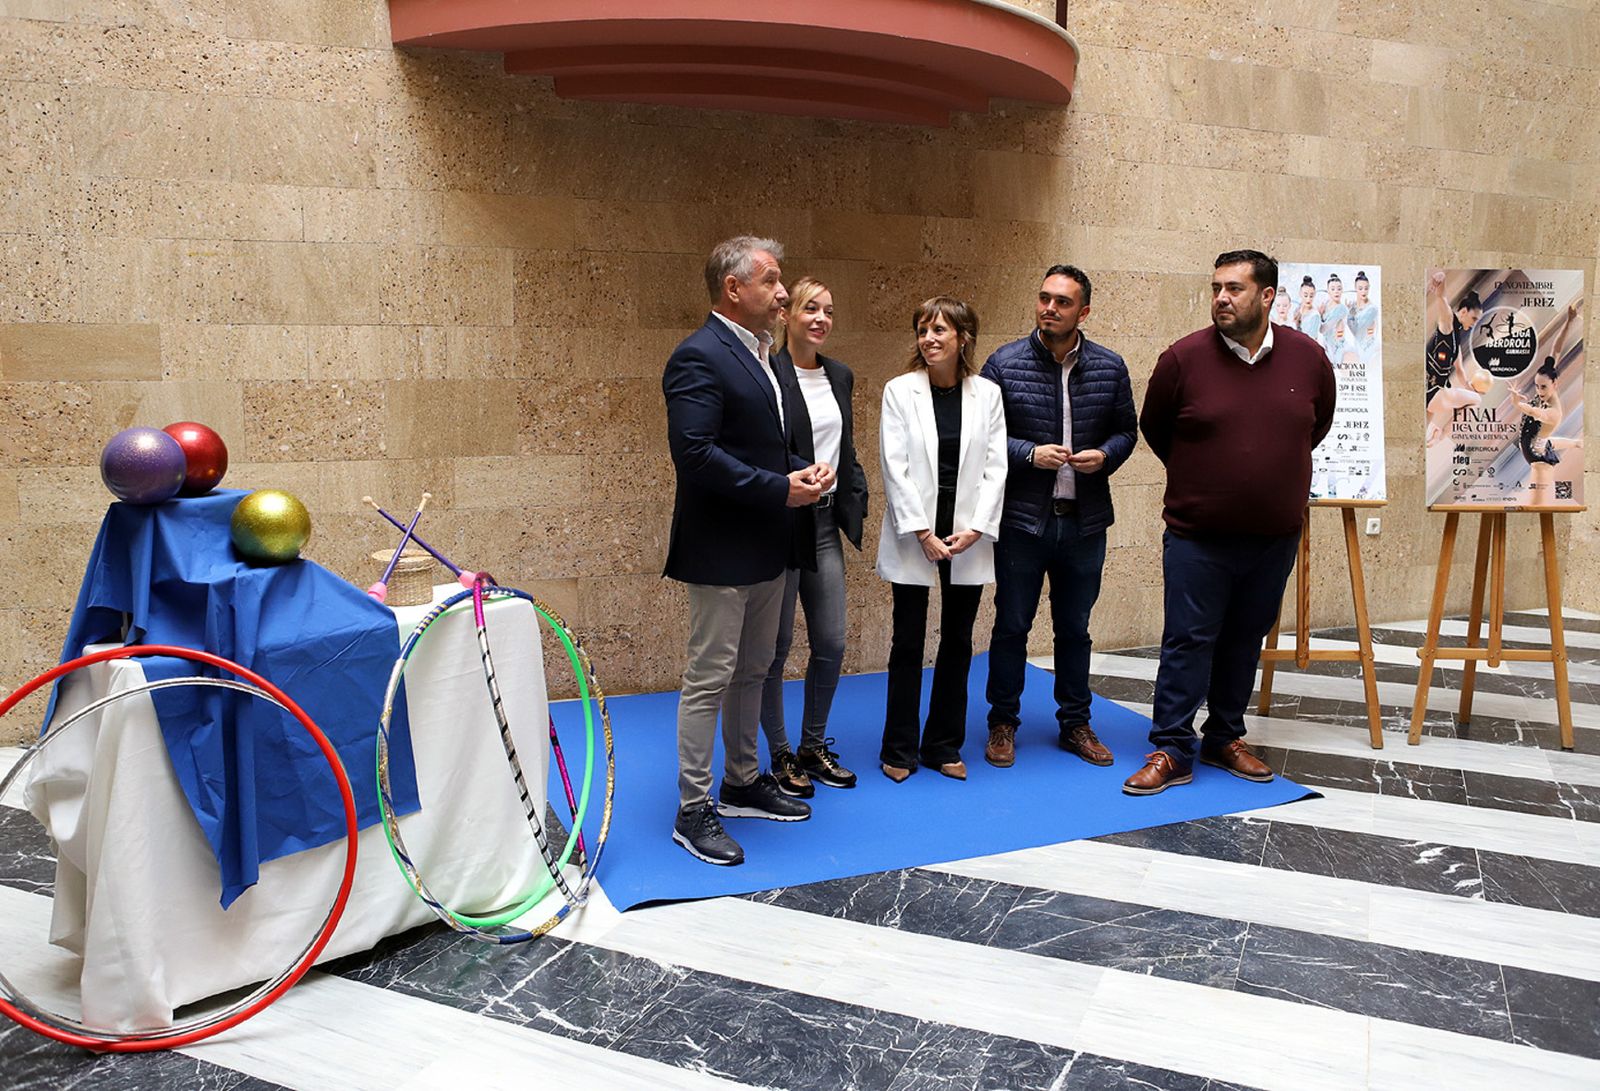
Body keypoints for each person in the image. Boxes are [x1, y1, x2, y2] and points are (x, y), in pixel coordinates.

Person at [1129, 250, 1336, 796]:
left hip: (1274, 534)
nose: (1221, 297)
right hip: (1198, 536)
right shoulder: (1182, 359)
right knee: (1187, 640)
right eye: (1217, 287)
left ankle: (1224, 736)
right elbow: (1156, 429)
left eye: (1234, 288)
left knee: (1244, 640)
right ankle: (1172, 747)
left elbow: (1315, 425)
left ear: (1267, 296)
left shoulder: (1309, 358)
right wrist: (1212, 478)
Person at [662, 235, 834, 866]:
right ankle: (693, 808)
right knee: (708, 678)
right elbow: (697, 455)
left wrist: (800, 471)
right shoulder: (697, 357)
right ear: (734, 289)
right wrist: (778, 487)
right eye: (771, 280)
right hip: (720, 551)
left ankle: (740, 781)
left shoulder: (761, 355)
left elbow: (756, 446)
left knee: (754, 672)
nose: (783, 292)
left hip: (768, 545)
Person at [979, 265, 1137, 769]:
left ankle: (1076, 723)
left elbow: (1126, 431)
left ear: (1083, 312)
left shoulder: (1110, 367)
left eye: (1062, 302)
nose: (1049, 307)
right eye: (1044, 297)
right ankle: (1002, 722)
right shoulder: (1003, 364)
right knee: (1011, 625)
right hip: (1023, 522)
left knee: (1076, 627)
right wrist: (1028, 453)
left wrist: (1106, 457)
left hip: (1084, 522)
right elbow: (979, 435)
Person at [876, 297, 1007, 782]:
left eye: (939, 330)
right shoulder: (899, 391)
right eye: (923, 330)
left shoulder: (987, 394)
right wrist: (922, 532)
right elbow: (895, 466)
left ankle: (943, 744)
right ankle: (899, 747)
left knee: (958, 639)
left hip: (967, 533)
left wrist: (978, 527)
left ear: (963, 338)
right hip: (917, 532)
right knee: (907, 639)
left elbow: (997, 467)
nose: (929, 339)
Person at [759, 277, 869, 797]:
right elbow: (760, 448)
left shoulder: (840, 375)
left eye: (828, 310)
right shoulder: (769, 375)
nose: (821, 319)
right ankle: (780, 755)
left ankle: (812, 745)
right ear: (786, 317)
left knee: (831, 641)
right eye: (810, 309)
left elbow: (844, 447)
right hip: (782, 523)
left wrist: (852, 490)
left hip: (825, 523)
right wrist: (802, 471)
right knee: (774, 649)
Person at [1513, 302, 1584, 504]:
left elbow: (1535, 412)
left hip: (1539, 464)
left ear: (1555, 383)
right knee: (1546, 443)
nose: (1539, 391)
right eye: (1537, 386)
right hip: (1539, 448)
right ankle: (1577, 443)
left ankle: (1577, 446)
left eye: (1543, 387)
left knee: (1537, 508)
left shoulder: (1553, 411)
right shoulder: (1546, 383)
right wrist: (1569, 322)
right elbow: (1556, 349)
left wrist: (1518, 403)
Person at [1425, 271, 1487, 447]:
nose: (1474, 323)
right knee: (1477, 402)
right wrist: (1441, 279)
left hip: (1430, 396)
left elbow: (1460, 371)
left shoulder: (1456, 341)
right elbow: (1442, 298)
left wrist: (1471, 389)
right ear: (1464, 311)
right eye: (1474, 318)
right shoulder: (1448, 323)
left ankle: (1434, 436)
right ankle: (1441, 434)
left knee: (1419, 440)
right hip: (1433, 392)